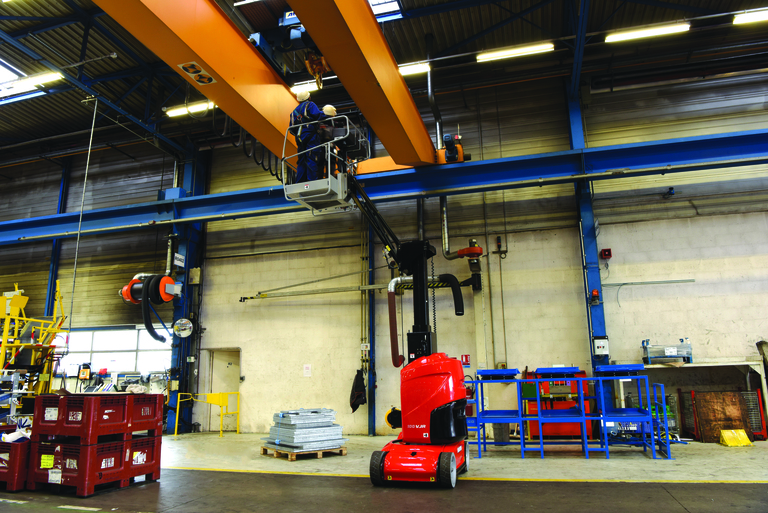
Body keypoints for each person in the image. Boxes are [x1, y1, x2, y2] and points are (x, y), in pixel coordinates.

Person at [289, 91, 327, 183]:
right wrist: (326, 114)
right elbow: (317, 115)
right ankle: (312, 181)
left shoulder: (293, 112)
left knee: (302, 159)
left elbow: (291, 129)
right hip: (311, 136)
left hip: (299, 138)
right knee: (311, 157)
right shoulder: (310, 105)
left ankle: (300, 181)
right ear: (309, 97)